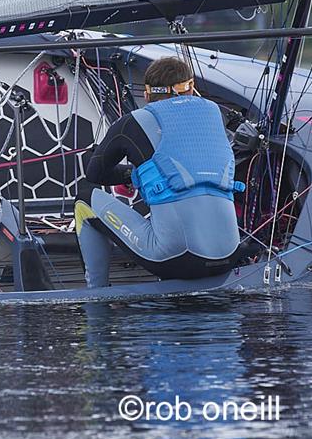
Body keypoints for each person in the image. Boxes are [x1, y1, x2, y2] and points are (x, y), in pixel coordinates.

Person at [76, 56, 242, 287]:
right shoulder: (215, 113)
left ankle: (96, 296)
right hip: (229, 254)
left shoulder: (132, 122)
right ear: (191, 88)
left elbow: (95, 174)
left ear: (146, 94)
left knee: (84, 196)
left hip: (176, 259)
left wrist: (131, 175)